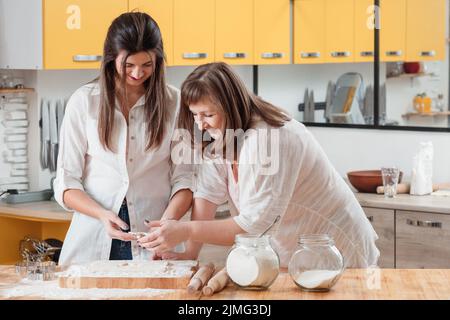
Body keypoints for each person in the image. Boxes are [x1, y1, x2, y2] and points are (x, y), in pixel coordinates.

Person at [138, 62, 380, 268]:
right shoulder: (222, 135)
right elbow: (207, 195)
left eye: (208, 115)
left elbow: (252, 226)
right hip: (293, 253)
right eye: (194, 115)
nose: (200, 125)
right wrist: (190, 254)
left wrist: (187, 230)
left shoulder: (267, 138)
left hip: (338, 249)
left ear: (230, 106)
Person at [53, 12, 194, 265]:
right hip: (93, 241)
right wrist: (101, 214)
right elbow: (66, 182)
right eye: (128, 65)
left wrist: (167, 224)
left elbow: (185, 178)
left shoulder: (175, 103)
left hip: (156, 245)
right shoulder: (84, 102)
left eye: (147, 65)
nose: (138, 73)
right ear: (111, 58)